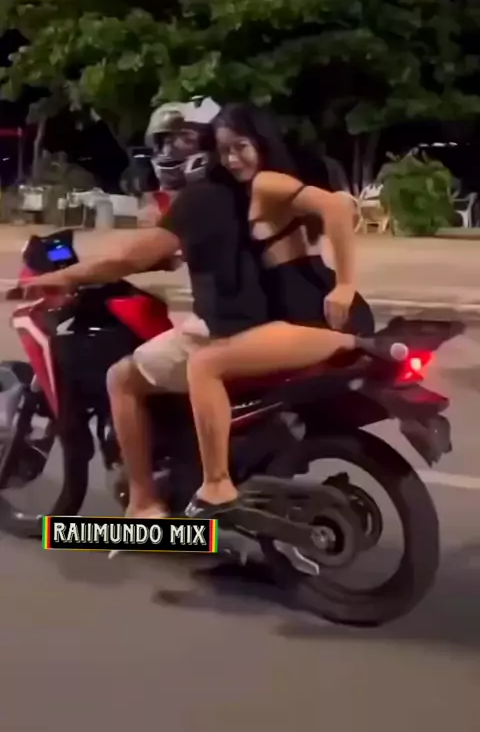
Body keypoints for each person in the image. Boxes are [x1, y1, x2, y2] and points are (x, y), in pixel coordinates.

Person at [17, 99, 272, 520]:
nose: (171, 151)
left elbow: (130, 258)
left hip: (229, 328)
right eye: (166, 142)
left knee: (121, 378)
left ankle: (143, 504)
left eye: (184, 139)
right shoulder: (242, 190)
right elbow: (167, 253)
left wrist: (65, 276)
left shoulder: (202, 198)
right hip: (265, 322)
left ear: (209, 144)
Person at [184, 103, 374, 519]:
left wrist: (345, 285)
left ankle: (216, 485)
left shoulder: (267, 181)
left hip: (315, 311)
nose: (232, 159)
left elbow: (337, 208)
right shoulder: (247, 189)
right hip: (296, 310)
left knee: (204, 366)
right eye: (224, 151)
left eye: (241, 146)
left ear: (261, 142)